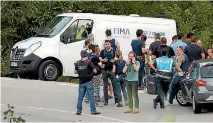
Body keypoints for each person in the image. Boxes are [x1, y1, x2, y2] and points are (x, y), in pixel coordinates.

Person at [74, 50, 101, 115]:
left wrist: (80, 70)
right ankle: (93, 110)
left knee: (80, 97)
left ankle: (78, 111)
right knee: (91, 96)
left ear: (81, 56)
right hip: (88, 81)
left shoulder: (77, 63)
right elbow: (95, 71)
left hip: (81, 82)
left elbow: (75, 72)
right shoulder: (89, 62)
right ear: (87, 55)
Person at [99, 40, 123, 107]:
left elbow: (120, 58)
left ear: (110, 45)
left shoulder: (114, 51)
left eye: (108, 44)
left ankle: (117, 101)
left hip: (112, 71)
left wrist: (115, 60)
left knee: (114, 85)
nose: (106, 45)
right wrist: (102, 62)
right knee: (105, 86)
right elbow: (99, 60)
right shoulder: (102, 51)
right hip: (104, 71)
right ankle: (106, 101)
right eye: (105, 44)